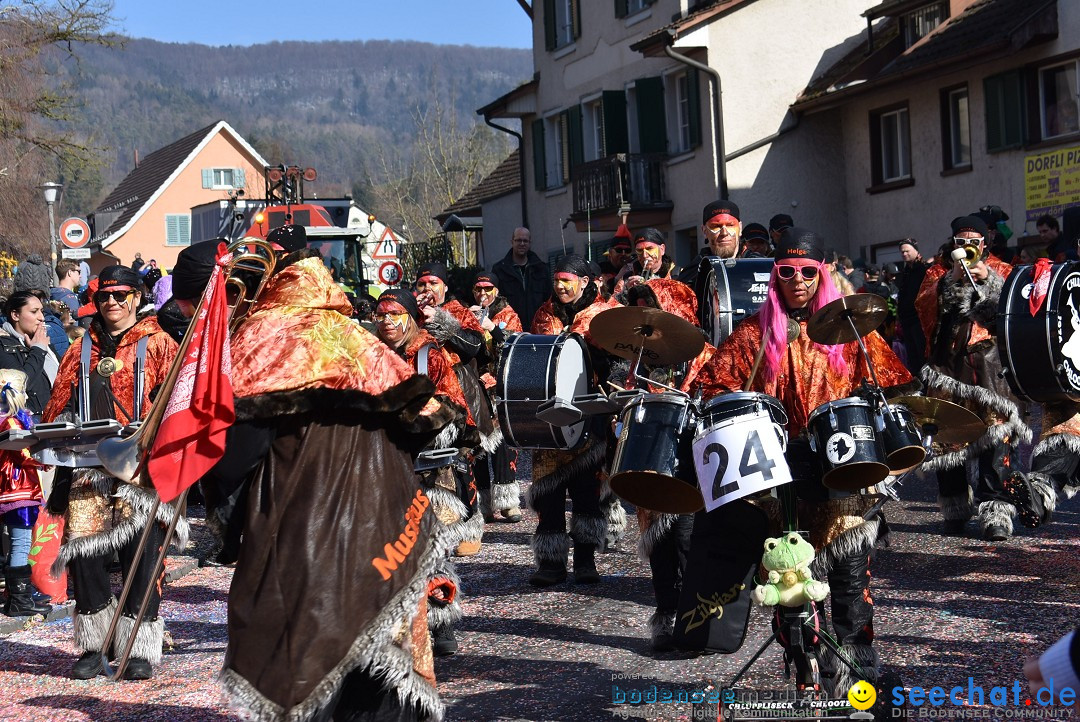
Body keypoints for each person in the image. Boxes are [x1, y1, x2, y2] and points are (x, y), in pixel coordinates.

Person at [206, 225, 453, 720]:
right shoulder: (357, 337)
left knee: (313, 652)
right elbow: (427, 422)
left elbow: (238, 454)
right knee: (380, 660)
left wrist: (227, 524)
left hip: (307, 526)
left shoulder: (262, 336)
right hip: (390, 518)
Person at [691, 227, 916, 698]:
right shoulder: (754, 331)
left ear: (822, 275)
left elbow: (896, 386)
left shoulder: (849, 329)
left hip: (844, 482)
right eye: (787, 271)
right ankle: (807, 678)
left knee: (851, 596)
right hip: (780, 484)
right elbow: (712, 388)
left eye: (807, 271)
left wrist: (875, 402)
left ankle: (859, 681)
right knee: (793, 598)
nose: (797, 280)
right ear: (775, 276)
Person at [42, 264, 180, 681]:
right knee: (86, 559)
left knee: (141, 558)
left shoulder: (160, 344)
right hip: (89, 471)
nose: (113, 304)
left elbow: (180, 405)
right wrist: (61, 424)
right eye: (105, 297)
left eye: (122, 296)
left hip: (141, 472)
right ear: (95, 301)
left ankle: (138, 645)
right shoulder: (80, 348)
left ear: (137, 298)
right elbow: (55, 408)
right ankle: (92, 645)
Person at [918, 215, 1037, 541]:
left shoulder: (1004, 271)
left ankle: (996, 513)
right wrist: (952, 282)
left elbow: (1018, 315)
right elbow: (926, 313)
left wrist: (992, 283)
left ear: (985, 244)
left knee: (997, 444)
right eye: (961, 241)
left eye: (974, 241)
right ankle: (955, 508)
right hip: (949, 369)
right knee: (949, 443)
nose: (967, 247)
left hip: (992, 369)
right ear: (952, 243)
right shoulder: (937, 274)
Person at [374, 287, 477, 658]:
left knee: (434, 548)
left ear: (410, 317)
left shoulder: (429, 354)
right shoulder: (372, 353)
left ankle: (441, 622)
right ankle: (397, 625)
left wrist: (417, 418)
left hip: (435, 468)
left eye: (394, 314)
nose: (386, 321)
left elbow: (457, 410)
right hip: (388, 465)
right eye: (381, 314)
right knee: (391, 549)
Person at [527, 255, 616, 586]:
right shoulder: (543, 314)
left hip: (588, 414)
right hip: (550, 417)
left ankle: (585, 560)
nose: (560, 286)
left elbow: (618, 362)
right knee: (548, 493)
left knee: (586, 494)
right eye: (557, 280)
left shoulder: (604, 315)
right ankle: (550, 562)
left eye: (567, 280)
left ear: (584, 282)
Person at [468, 270, 523, 523]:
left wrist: (492, 328)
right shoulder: (468, 314)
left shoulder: (508, 314)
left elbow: (515, 348)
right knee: (478, 443)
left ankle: (508, 501)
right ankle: (484, 501)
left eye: (487, 290)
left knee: (503, 443)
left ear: (496, 291)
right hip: (475, 385)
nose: (482, 294)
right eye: (478, 290)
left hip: (501, 385)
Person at [0, 369, 50, 617]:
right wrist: (41, 461)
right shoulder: (11, 422)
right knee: (20, 543)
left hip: (15, 489)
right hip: (19, 489)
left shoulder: (8, 419)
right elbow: (21, 454)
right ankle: (19, 600)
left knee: (18, 543)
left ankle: (19, 597)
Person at [0, 291, 60, 418]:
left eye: (41, 311)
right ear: (15, 315)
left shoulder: (44, 343)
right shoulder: (3, 346)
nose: (41, 317)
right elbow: (19, 385)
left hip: (57, 419)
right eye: (34, 312)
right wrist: (38, 350)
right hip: (28, 423)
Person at [491, 227, 550, 327]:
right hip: (510, 328)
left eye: (525, 241)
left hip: (538, 328)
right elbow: (495, 302)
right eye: (518, 240)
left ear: (530, 243)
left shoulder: (541, 269)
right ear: (512, 242)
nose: (522, 244)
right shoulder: (499, 270)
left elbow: (549, 299)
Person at [678, 199, 742, 287]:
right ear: (704, 231)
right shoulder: (692, 274)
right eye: (716, 226)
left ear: (740, 228)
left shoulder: (758, 265)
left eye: (730, 225)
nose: (724, 233)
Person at [895, 239, 928, 374]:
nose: (904, 254)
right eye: (902, 252)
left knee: (921, 354)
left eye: (907, 251)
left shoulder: (923, 269)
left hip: (918, 319)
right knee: (912, 356)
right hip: (906, 319)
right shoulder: (906, 271)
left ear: (915, 250)